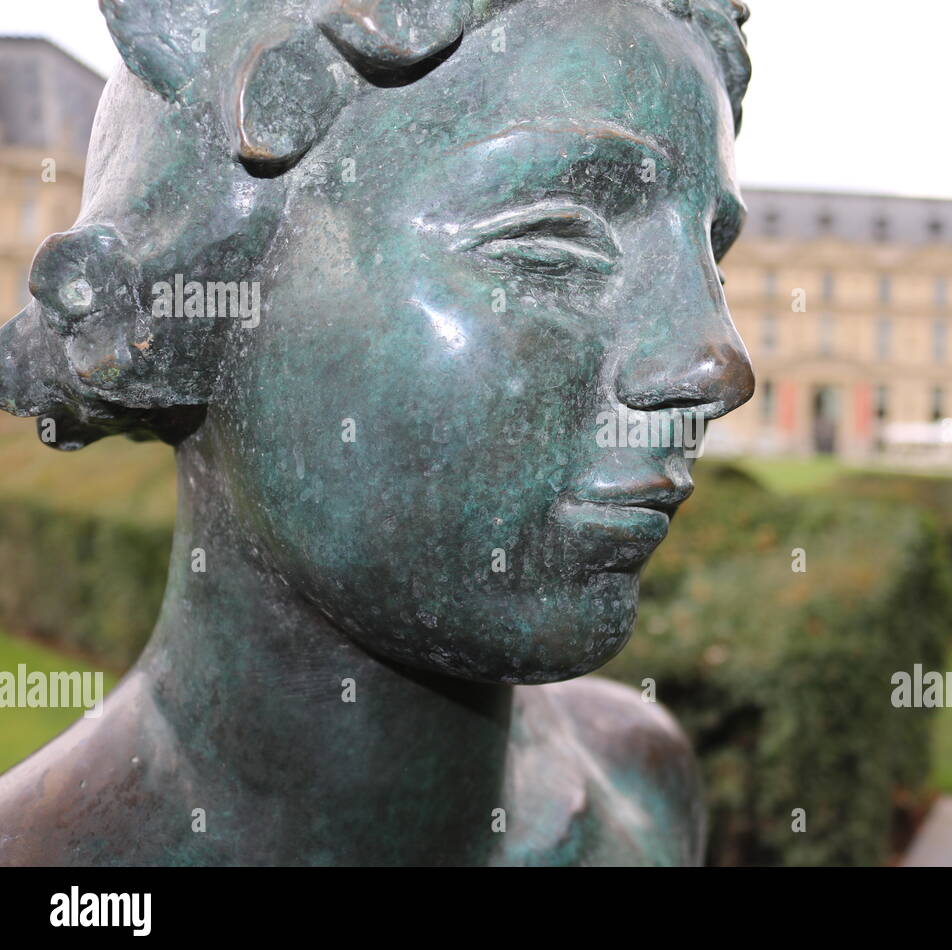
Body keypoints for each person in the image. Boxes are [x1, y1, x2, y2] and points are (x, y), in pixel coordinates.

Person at [0, 0, 753, 865]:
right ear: (208, 298)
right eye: (555, 241)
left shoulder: (648, 783)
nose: (718, 363)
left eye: (709, 256)